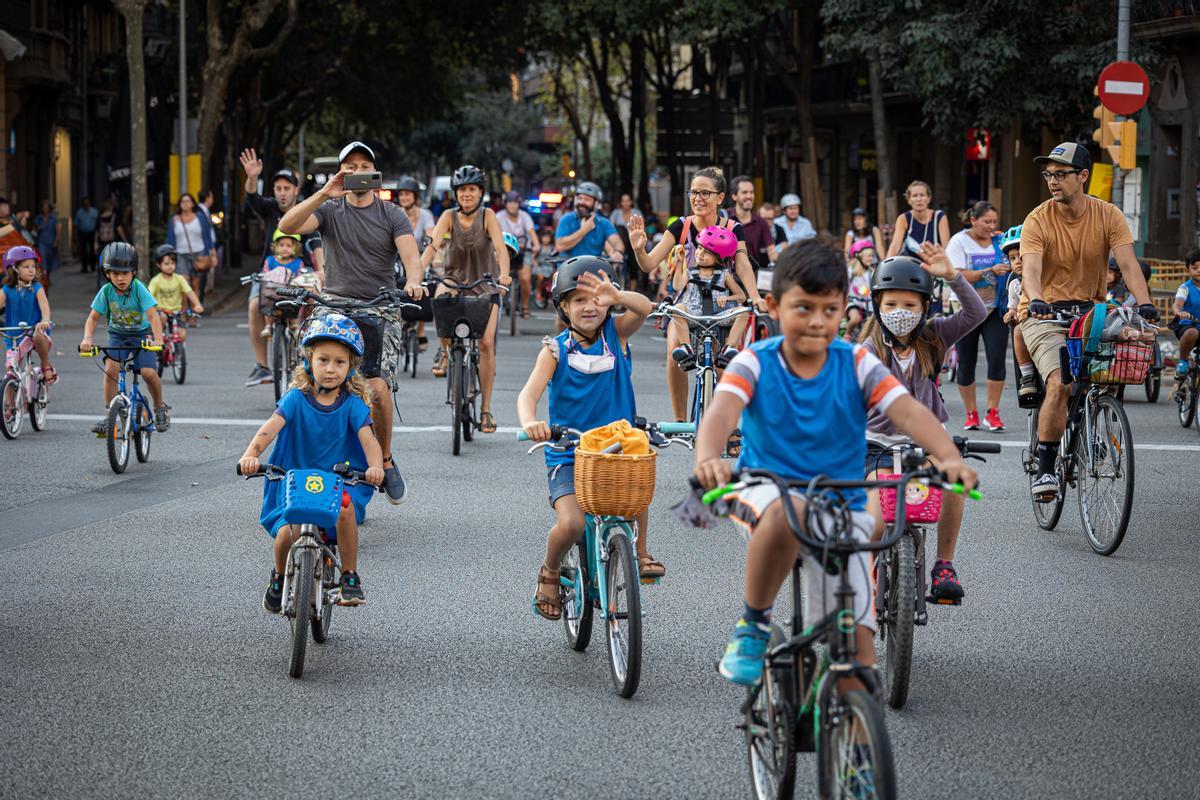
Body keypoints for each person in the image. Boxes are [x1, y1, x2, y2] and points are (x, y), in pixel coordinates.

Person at [690, 239, 978, 687]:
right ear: (772, 304)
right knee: (791, 515)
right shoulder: (755, 361)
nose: (816, 322)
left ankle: (854, 741)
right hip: (764, 488)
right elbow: (721, 413)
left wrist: (947, 456)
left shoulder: (857, 361)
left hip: (840, 495)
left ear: (844, 307)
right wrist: (708, 457)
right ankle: (752, 624)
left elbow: (909, 412)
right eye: (802, 308)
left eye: (828, 310)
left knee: (859, 654)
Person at [279, 140, 425, 504]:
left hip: (380, 306)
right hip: (333, 305)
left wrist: (413, 281)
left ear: (375, 174)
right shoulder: (328, 209)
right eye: (350, 166)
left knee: (376, 389)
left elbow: (411, 257)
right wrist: (323, 192)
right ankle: (297, 461)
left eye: (364, 166)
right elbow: (288, 224)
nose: (357, 173)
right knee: (310, 382)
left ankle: (386, 459)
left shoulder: (392, 214)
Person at [517, 257, 660, 619]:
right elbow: (527, 395)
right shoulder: (555, 349)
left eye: (596, 298)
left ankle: (640, 551)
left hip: (617, 448)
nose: (589, 306)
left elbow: (645, 307)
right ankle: (549, 571)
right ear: (563, 307)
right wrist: (531, 421)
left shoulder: (617, 335)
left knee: (637, 481)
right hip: (569, 452)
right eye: (578, 300)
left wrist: (617, 294)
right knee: (572, 523)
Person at [1019, 142, 1155, 501]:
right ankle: (1046, 465)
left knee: (1115, 369)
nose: (1052, 180)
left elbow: (1127, 264)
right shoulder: (1038, 218)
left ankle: (1093, 425)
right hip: (1044, 313)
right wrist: (1035, 300)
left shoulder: (1108, 215)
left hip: (1092, 312)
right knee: (1061, 383)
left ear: (1083, 176)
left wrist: (1145, 304)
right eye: (1049, 174)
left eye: (1061, 174)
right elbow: (1031, 270)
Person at [861, 247, 986, 602]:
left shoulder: (934, 338)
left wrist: (953, 277)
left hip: (927, 443)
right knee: (875, 504)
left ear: (925, 307)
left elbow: (976, 313)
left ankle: (944, 565)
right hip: (876, 446)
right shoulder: (867, 351)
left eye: (910, 305)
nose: (900, 312)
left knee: (954, 481)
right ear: (877, 307)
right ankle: (869, 571)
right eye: (891, 305)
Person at [238, 314, 384, 610]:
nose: (331, 369)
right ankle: (278, 577)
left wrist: (375, 466)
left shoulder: (353, 405)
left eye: (340, 362)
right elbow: (270, 428)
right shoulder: (295, 399)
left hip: (336, 480)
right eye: (324, 360)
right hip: (293, 480)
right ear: (309, 361)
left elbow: (369, 440)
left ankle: (350, 577)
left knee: (345, 510)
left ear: (350, 366)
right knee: (284, 535)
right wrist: (251, 454)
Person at [626, 166, 767, 422]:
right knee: (674, 352)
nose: (698, 198)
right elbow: (648, 264)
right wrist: (638, 248)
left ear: (720, 197)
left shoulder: (733, 228)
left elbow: (743, 263)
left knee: (726, 362)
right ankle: (681, 422)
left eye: (705, 193)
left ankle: (726, 427)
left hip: (721, 301)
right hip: (687, 301)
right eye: (693, 192)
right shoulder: (681, 226)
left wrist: (755, 296)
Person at [418, 164, 512, 433]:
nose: (467, 194)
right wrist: (417, 273)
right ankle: (445, 351)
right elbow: (433, 245)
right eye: (462, 190)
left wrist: (504, 274)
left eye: (472, 189)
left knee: (485, 343)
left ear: (480, 192)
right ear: (455, 194)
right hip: (455, 279)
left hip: (485, 284)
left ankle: (485, 411)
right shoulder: (448, 216)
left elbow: (500, 249)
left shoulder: (488, 216)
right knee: (440, 294)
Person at [239, 150, 326, 385]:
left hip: (302, 271)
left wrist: (321, 270)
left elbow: (317, 242)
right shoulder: (269, 209)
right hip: (271, 272)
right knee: (254, 305)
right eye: (278, 188)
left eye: (287, 188)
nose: (282, 193)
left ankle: (309, 350)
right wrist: (251, 176)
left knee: (314, 298)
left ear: (296, 190)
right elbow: (252, 198)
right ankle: (262, 366)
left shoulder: (307, 210)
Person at [79, 242, 169, 435]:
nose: (120, 278)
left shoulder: (139, 289)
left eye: (125, 273)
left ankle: (159, 406)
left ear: (133, 272)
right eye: (115, 273)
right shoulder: (106, 291)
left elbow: (153, 316)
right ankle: (108, 415)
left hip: (142, 334)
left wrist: (158, 340)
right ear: (107, 274)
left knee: (147, 373)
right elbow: (93, 318)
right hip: (118, 335)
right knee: (111, 369)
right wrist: (87, 338)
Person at [945, 201, 1010, 431]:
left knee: (996, 359)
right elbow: (956, 275)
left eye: (994, 221)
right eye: (986, 222)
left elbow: (1015, 260)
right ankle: (971, 413)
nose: (992, 226)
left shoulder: (999, 241)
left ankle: (993, 413)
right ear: (973, 220)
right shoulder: (959, 241)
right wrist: (989, 271)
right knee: (966, 362)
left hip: (995, 308)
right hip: (967, 310)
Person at [668, 225, 746, 370]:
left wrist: (728, 299)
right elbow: (678, 286)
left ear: (718, 257)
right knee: (677, 308)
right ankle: (686, 347)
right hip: (693, 314)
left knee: (743, 311)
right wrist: (679, 264)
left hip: (719, 316)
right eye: (699, 248)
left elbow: (741, 296)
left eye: (707, 252)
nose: (700, 253)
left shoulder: (724, 274)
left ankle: (728, 349)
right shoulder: (690, 272)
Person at [1, 245, 56, 385]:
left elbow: (45, 307)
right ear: (13, 269)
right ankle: (9, 405)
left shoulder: (37, 288)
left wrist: (45, 320)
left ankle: (45, 365)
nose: (32, 269)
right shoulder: (6, 289)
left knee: (38, 335)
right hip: (13, 334)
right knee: (10, 370)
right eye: (26, 266)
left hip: (35, 329)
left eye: (33, 266)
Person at [998, 225, 1038, 404]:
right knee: (1018, 331)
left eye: (1021, 255)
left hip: (1054, 319)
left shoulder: (1046, 275)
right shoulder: (1014, 283)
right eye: (1012, 258)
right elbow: (1012, 306)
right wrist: (1011, 313)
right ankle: (1027, 376)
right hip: (1029, 324)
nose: (1017, 261)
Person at [165, 193, 216, 308]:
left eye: (188, 201)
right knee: (184, 286)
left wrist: (212, 253)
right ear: (180, 204)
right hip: (181, 255)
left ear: (193, 203)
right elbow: (170, 239)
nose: (186, 204)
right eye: (183, 201)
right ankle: (183, 313)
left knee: (195, 285)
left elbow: (207, 236)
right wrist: (168, 254)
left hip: (199, 254)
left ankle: (194, 314)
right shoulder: (174, 219)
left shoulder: (200, 218)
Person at [554, 182, 623, 260]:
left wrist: (617, 252)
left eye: (586, 199)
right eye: (580, 198)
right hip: (568, 268)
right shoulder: (566, 219)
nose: (582, 202)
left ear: (596, 203)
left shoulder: (603, 223)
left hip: (594, 269)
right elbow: (560, 246)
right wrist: (584, 230)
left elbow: (618, 243)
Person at [148, 244, 203, 342]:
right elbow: (148, 296)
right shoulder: (156, 280)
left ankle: (179, 352)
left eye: (173, 263)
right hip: (161, 311)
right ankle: (159, 340)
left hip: (176, 312)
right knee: (162, 319)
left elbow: (189, 292)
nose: (170, 266)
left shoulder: (179, 279)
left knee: (182, 335)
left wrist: (197, 305)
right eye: (166, 263)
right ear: (158, 264)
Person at [498, 190, 540, 319]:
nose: (512, 205)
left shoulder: (525, 216)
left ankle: (525, 306)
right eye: (509, 202)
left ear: (519, 204)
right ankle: (497, 304)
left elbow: (532, 234)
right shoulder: (498, 217)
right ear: (505, 204)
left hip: (523, 252)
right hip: (504, 253)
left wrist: (536, 244)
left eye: (515, 202)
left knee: (525, 279)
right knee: (497, 278)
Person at [886, 180, 950, 258]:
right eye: (915, 196)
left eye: (922, 195)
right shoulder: (903, 218)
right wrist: (885, 267)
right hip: (910, 264)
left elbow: (946, 247)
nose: (919, 199)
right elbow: (895, 246)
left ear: (929, 198)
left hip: (933, 264)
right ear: (909, 200)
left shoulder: (939, 217)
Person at [729, 175, 779, 271]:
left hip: (752, 275)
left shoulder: (761, 222)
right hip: (728, 276)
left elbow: (772, 251)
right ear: (734, 196)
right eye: (744, 192)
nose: (749, 196)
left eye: (751, 192)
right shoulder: (724, 217)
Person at [1171, 249, 1200, 380]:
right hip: (1188, 325)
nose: (1199, 270)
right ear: (1188, 269)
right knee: (1192, 333)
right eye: (1194, 267)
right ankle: (1182, 361)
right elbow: (1177, 304)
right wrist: (1179, 312)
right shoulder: (1185, 288)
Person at [844, 239, 877, 342]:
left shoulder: (871, 273)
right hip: (853, 301)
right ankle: (846, 335)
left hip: (868, 304)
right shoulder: (851, 272)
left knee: (872, 324)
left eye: (872, 256)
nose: (871, 259)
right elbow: (846, 286)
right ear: (858, 256)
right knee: (855, 318)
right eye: (868, 256)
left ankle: (862, 342)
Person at [33, 201, 59, 286]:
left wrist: (56, 240)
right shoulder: (39, 218)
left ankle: (48, 276)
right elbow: (34, 229)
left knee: (50, 261)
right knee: (43, 260)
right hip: (41, 241)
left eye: (47, 207)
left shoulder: (53, 218)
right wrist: (38, 228)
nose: (45, 209)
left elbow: (57, 229)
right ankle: (44, 278)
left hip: (51, 241)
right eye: (44, 207)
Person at [74, 198, 100, 273]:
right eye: (85, 203)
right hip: (83, 233)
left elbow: (98, 223)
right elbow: (76, 224)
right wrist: (75, 235)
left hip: (92, 233)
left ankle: (92, 266)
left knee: (93, 250)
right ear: (83, 205)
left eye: (87, 203)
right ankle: (84, 267)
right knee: (83, 250)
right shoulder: (79, 212)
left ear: (90, 204)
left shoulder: (95, 211)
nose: (86, 205)